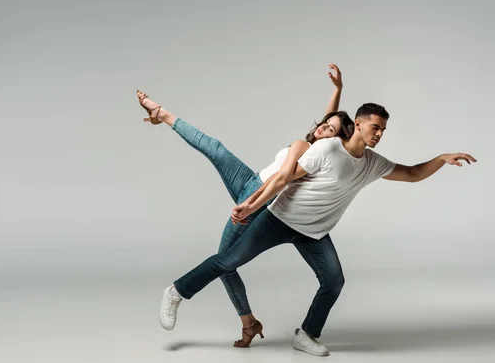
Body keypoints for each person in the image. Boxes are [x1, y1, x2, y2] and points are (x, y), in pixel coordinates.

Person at [158, 101, 477, 357]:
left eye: (383, 130)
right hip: (278, 219)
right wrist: (252, 207)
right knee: (228, 261)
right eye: (374, 127)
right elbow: (283, 178)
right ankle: (177, 291)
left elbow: (411, 173)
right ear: (359, 123)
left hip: (314, 232)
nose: (379, 134)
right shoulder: (326, 149)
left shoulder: (373, 162)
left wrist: (441, 158)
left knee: (334, 280)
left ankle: (306, 334)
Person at [137, 64, 354, 347]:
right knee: (214, 148)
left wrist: (250, 205)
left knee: (225, 260)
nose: (322, 127)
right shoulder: (311, 140)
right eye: (323, 124)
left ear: (336, 141)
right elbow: (329, 123)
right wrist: (337, 90)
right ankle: (162, 114)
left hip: (262, 202)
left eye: (329, 130)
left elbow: (280, 181)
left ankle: (237, 317)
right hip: (251, 179)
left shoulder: (316, 153)